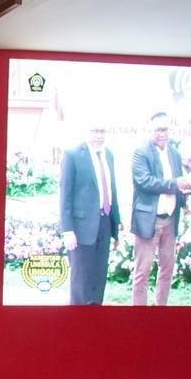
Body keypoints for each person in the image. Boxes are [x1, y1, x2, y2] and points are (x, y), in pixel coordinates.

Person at [130, 112, 191, 306]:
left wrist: (187, 201)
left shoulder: (174, 153)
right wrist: (175, 184)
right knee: (142, 272)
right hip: (149, 221)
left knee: (167, 269)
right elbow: (144, 181)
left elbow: (179, 183)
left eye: (165, 129)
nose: (162, 134)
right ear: (150, 129)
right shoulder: (141, 152)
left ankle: (160, 311)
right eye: (158, 129)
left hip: (170, 220)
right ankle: (139, 316)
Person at [60, 125, 122, 304]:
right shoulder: (72, 155)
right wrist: (67, 230)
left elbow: (112, 190)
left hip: (104, 223)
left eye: (102, 131)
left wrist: (116, 225)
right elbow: (65, 195)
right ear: (86, 131)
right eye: (95, 131)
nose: (99, 136)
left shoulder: (108, 154)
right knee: (81, 279)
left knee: (98, 277)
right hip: (81, 228)